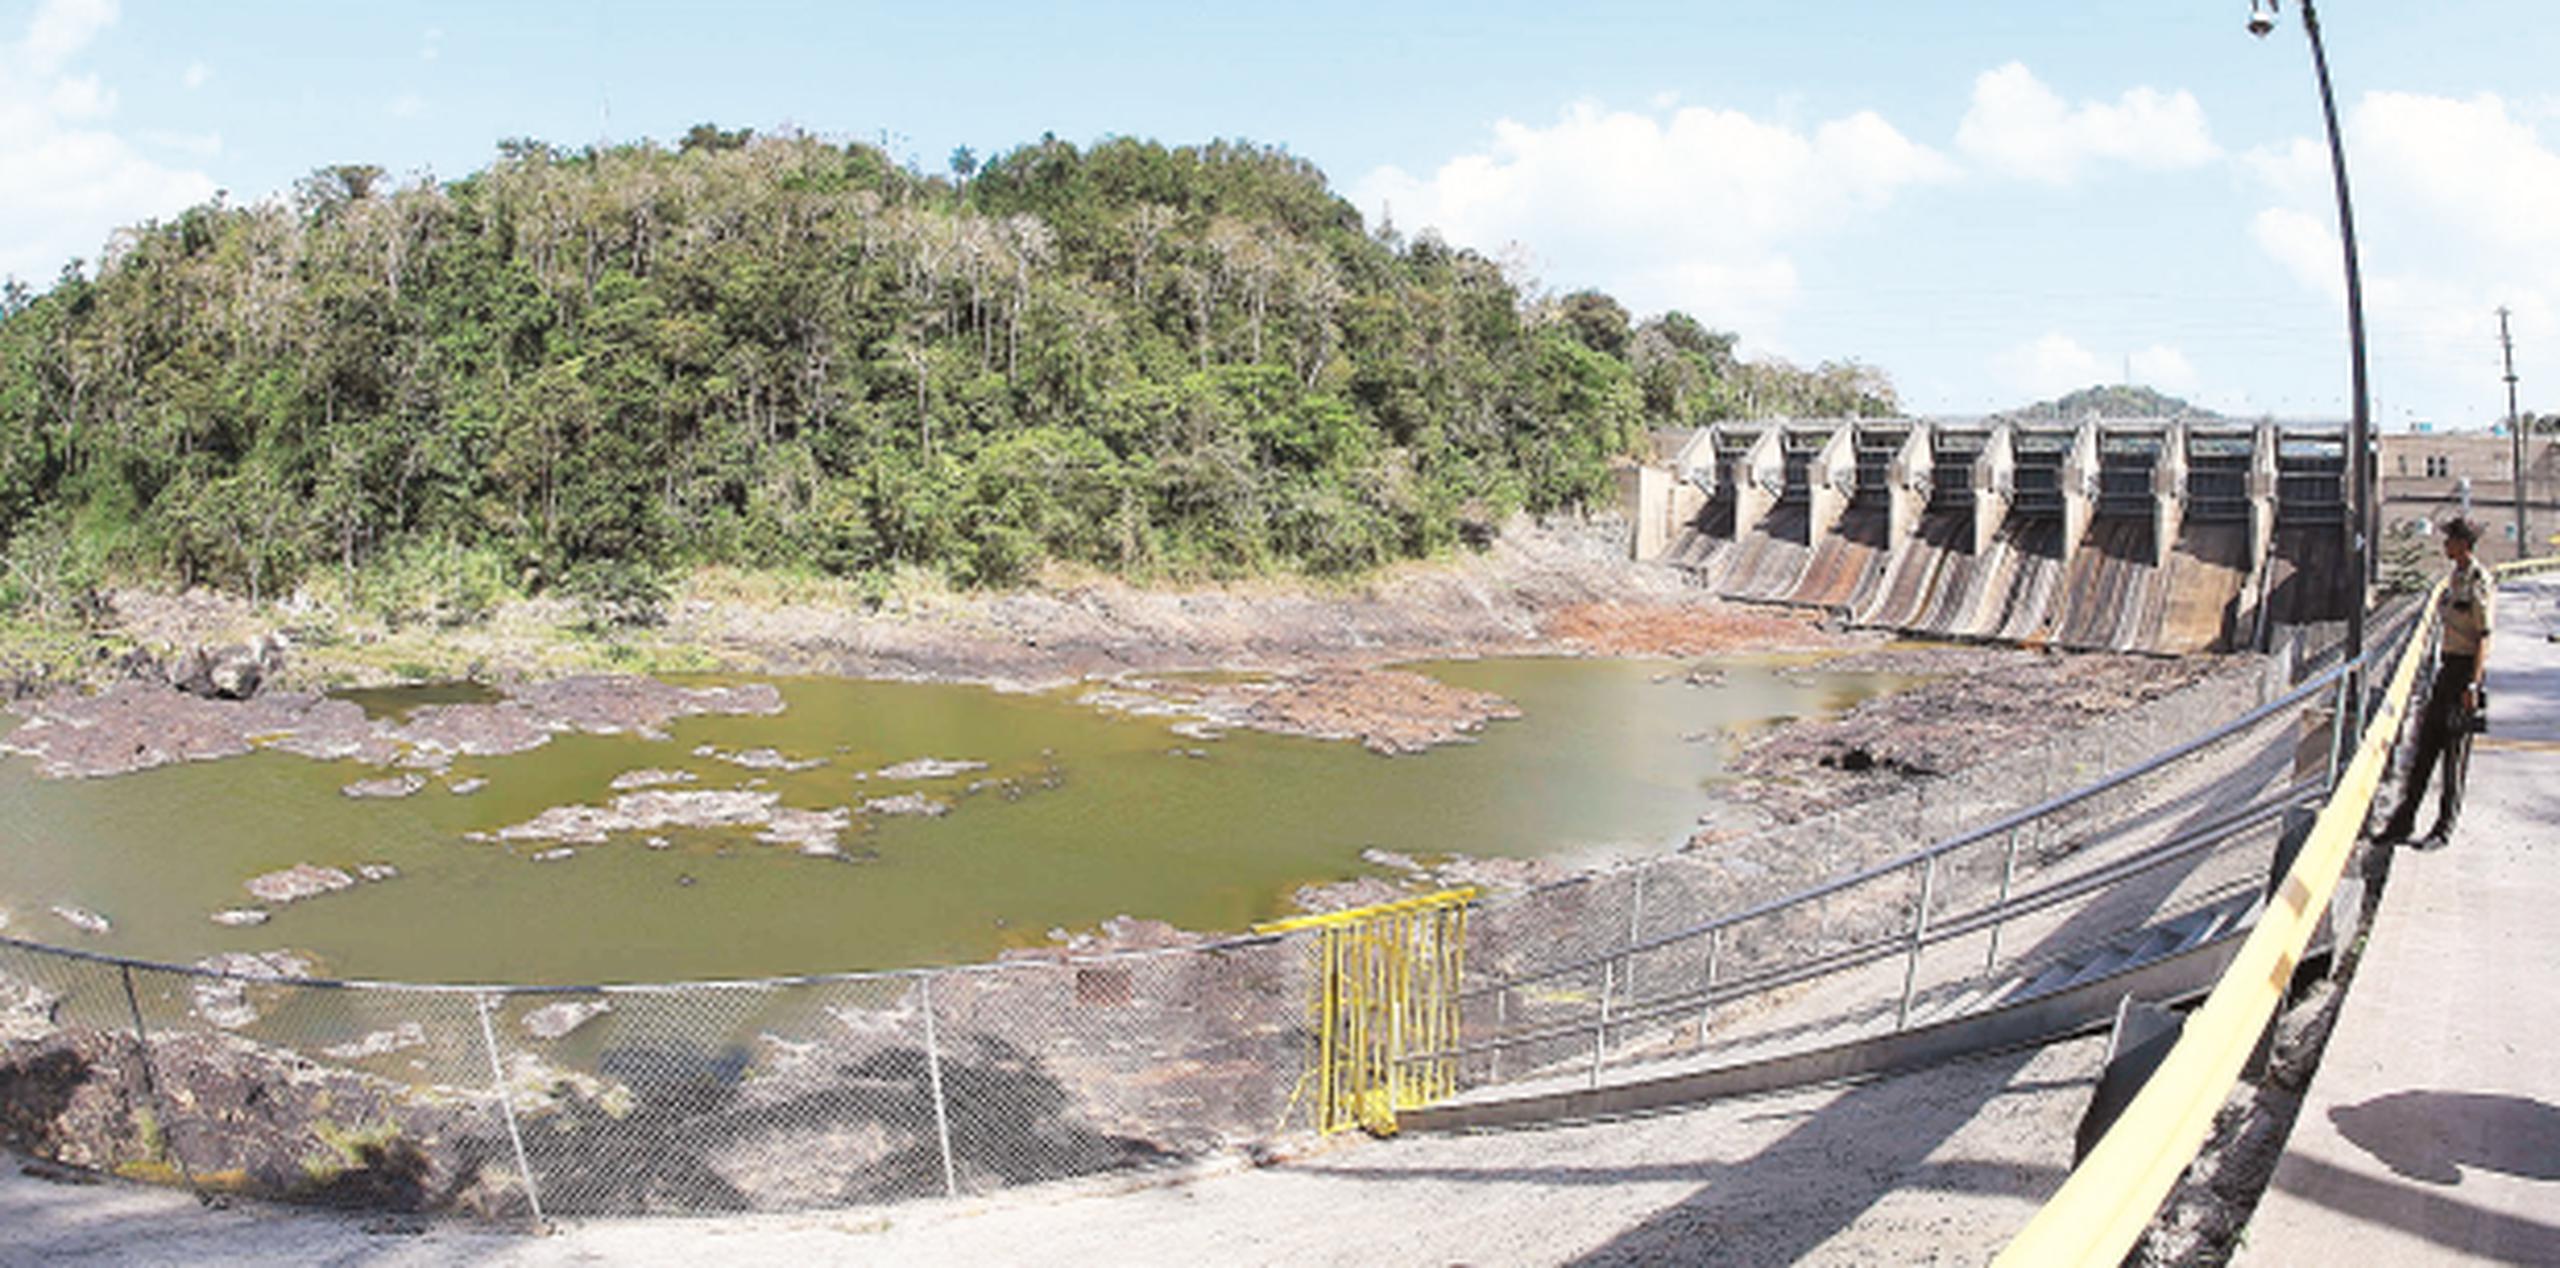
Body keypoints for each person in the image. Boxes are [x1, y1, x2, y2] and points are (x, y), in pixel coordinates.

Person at [2377, 516, 2495, 849]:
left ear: (2463, 544)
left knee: (2453, 757)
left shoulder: (2478, 581)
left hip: (2465, 673)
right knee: (2426, 749)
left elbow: (2484, 636)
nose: (2444, 546)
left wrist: (2473, 685)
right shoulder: (2453, 578)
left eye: (2450, 541)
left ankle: (2443, 830)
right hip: (2446, 670)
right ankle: (2402, 823)